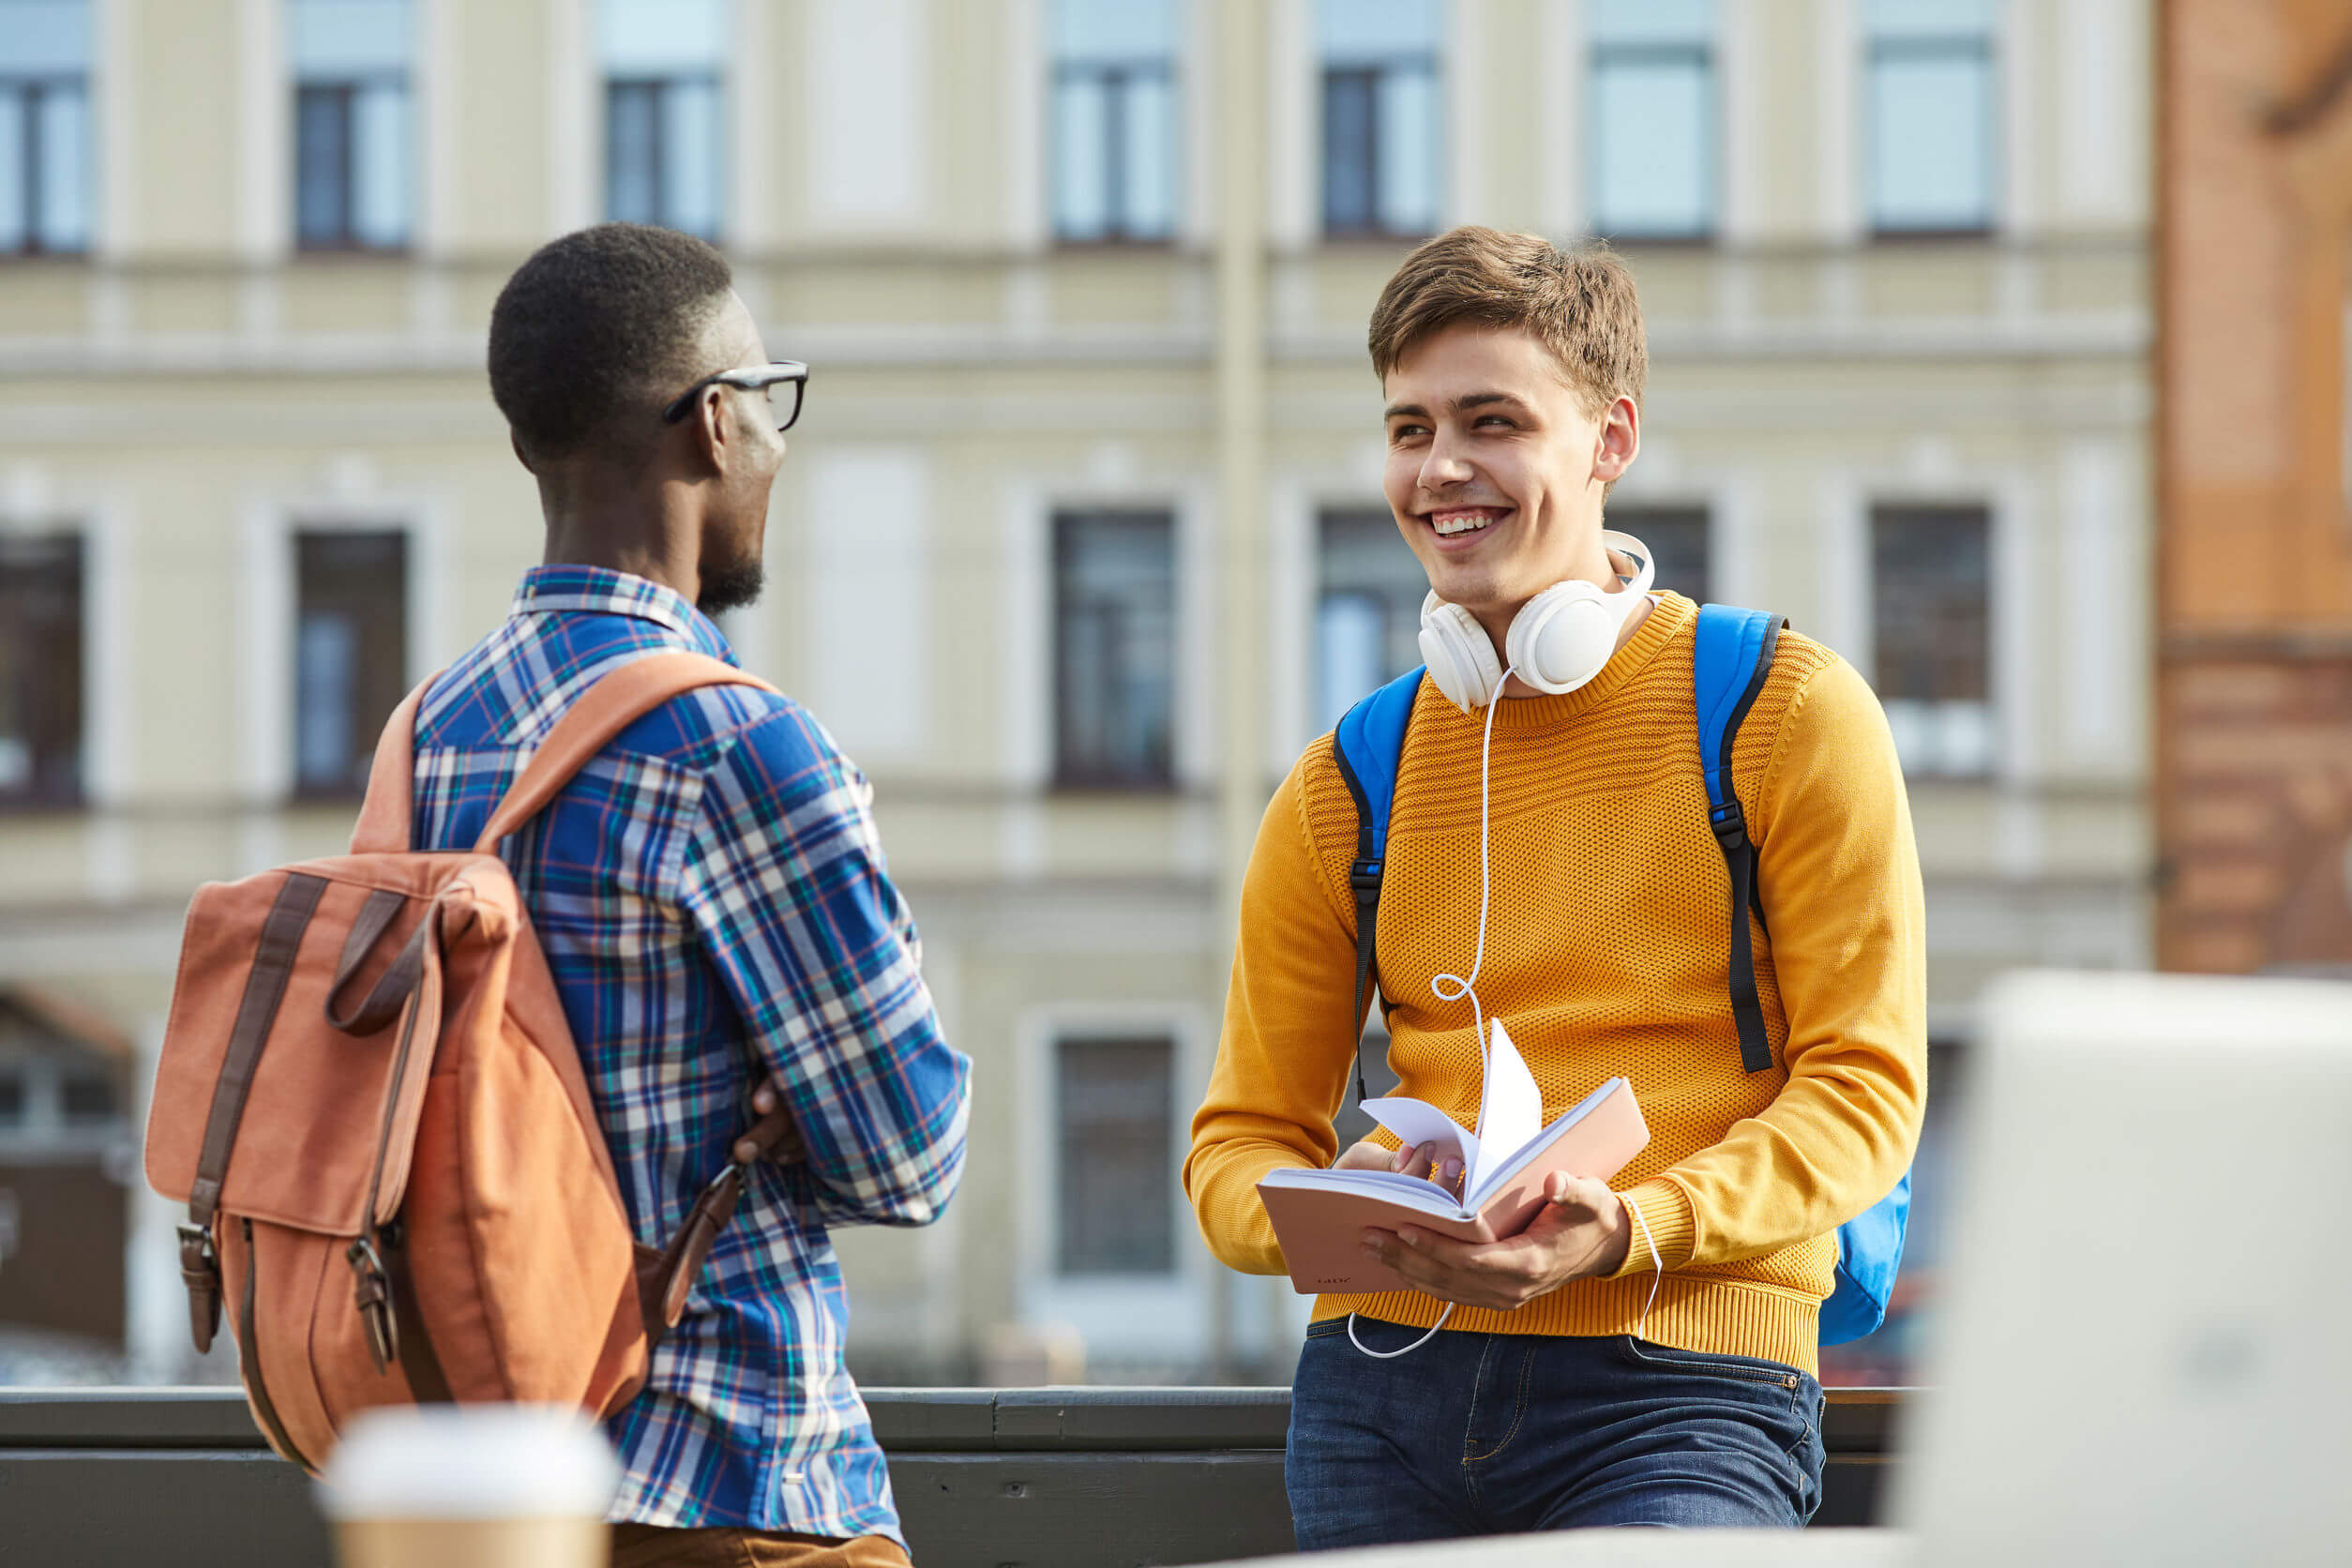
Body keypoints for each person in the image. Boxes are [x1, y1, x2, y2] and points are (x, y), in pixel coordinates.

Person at [1184, 226, 1925, 1543]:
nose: (1440, 469)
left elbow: (1866, 1098)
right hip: (1378, 1391)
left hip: (1687, 1384)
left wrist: (1623, 1227)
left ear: (1610, 440)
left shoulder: (1786, 712)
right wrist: (1357, 1220)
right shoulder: (1343, 780)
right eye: (1409, 428)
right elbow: (1237, 1147)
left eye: (1492, 421)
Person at [414, 222, 971, 1568]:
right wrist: (784, 1098)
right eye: (771, 403)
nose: (778, 446)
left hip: (482, 1489)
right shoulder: (739, 746)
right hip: (725, 1482)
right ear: (717, 424)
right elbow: (908, 1153)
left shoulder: (426, 732)